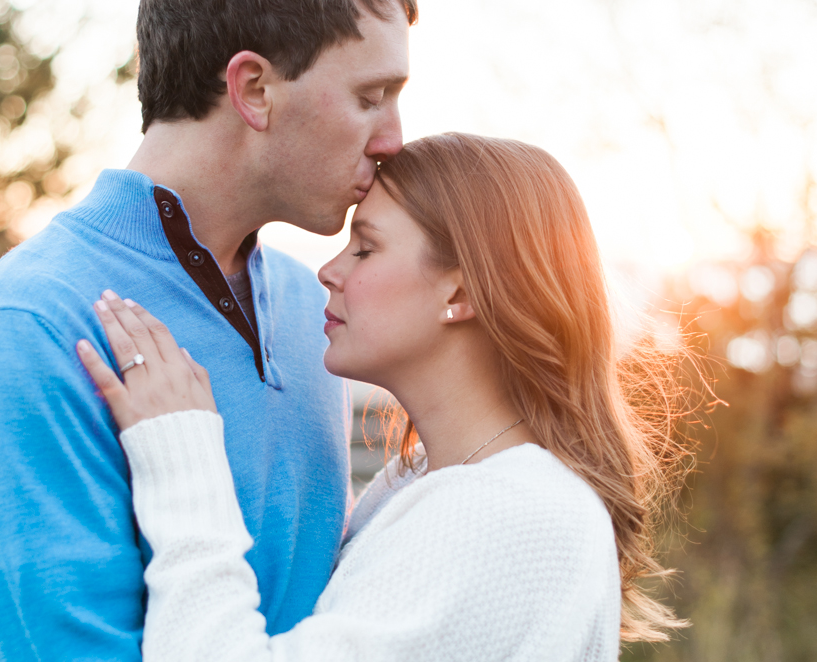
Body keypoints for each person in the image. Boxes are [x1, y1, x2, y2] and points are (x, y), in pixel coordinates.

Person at [0, 0, 417, 659]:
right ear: (255, 89)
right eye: (371, 96)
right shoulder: (33, 324)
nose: (393, 139)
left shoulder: (315, 309)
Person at [78, 133, 692, 661]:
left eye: (366, 248)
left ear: (462, 290)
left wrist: (183, 465)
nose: (330, 270)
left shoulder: (511, 512)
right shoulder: (428, 479)